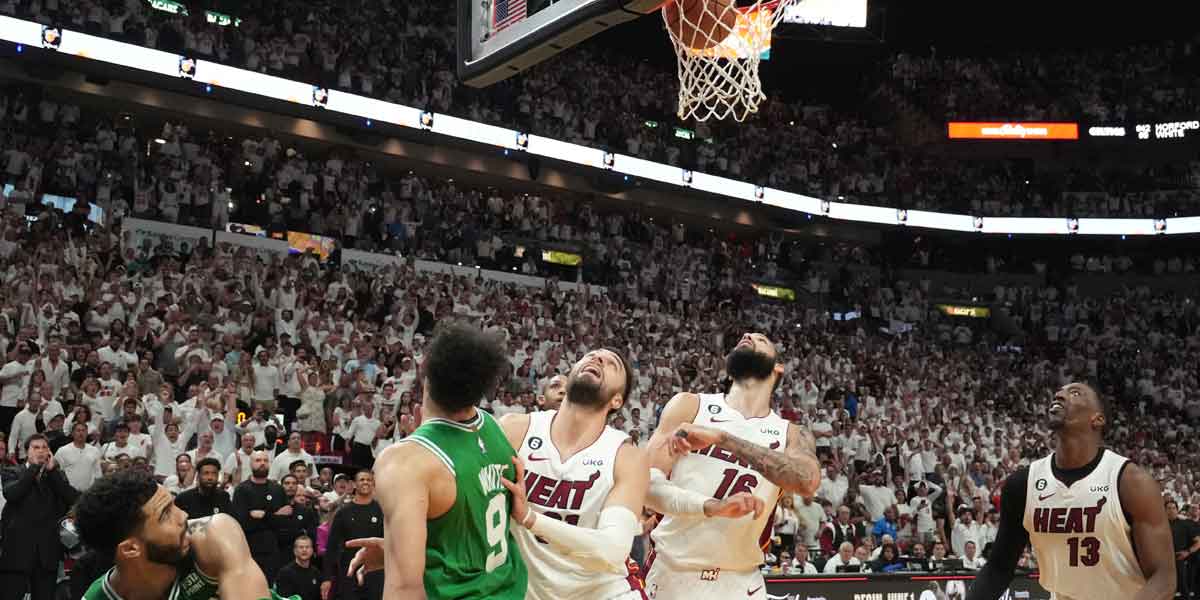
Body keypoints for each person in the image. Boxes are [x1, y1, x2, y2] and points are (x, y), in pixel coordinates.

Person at [343, 321, 527, 599]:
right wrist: (400, 549)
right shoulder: (497, 429)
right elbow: (469, 530)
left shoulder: (406, 462)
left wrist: (399, 557)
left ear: (424, 365)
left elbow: (405, 588)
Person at [644, 333, 821, 600]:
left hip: (741, 582)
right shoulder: (690, 405)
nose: (747, 336)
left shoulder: (791, 434)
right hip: (672, 574)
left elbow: (807, 481)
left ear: (777, 368)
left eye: (760, 339)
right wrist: (713, 507)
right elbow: (646, 488)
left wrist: (724, 439)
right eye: (744, 337)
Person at [966, 382, 1177, 600]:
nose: (1060, 395)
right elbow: (998, 568)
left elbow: (1164, 577)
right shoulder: (1023, 484)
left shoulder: (1130, 482)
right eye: (1058, 393)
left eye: (1074, 393)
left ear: (1098, 419)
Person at [495, 348, 649, 600]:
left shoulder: (626, 456)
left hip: (600, 592)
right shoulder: (514, 429)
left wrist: (530, 518)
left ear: (617, 401)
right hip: (525, 589)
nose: (597, 358)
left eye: (612, 364)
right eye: (592, 355)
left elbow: (613, 549)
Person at [74, 469, 293, 600]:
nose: (183, 516)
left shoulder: (214, 535)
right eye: (165, 514)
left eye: (173, 504)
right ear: (130, 548)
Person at [0, 434, 79, 600]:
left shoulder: (57, 475)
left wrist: (53, 472)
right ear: (26, 451)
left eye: (44, 447)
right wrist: (34, 468)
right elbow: (13, 494)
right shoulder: (11, 471)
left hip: (47, 552)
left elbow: (73, 499)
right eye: (36, 447)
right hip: (17, 552)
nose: (41, 451)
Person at [322, 470, 384, 600]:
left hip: (376, 572)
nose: (366, 482)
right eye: (362, 480)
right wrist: (327, 578)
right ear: (354, 484)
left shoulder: (381, 511)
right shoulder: (343, 512)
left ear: (373, 484)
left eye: (369, 480)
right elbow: (332, 546)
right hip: (349, 571)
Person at [232, 450, 289, 584]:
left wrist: (263, 515)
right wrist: (274, 516)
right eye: (258, 461)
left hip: (274, 550)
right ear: (251, 464)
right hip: (249, 551)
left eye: (265, 460)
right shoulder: (242, 490)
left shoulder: (277, 489)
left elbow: (284, 522)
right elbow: (242, 523)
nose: (262, 463)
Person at [55, 421, 103, 491]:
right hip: (69, 492)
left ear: (87, 433)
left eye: (83, 430)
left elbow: (98, 473)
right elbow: (55, 470)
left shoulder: (94, 450)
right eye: (78, 430)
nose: (81, 433)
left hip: (89, 492)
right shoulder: (62, 450)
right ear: (72, 433)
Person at [1167, 500, 1200, 599]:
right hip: (1163, 562)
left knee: (1184, 590)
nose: (1171, 511)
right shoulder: (1160, 525)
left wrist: (1188, 552)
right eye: (1168, 508)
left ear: (1177, 510)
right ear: (1164, 510)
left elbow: (1198, 542)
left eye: (1173, 508)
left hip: (1179, 560)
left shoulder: (1185, 524)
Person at [276, 536, 321, 600]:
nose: (304, 550)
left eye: (307, 547)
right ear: (295, 551)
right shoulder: (285, 573)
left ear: (312, 551)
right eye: (301, 547)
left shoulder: (316, 573)